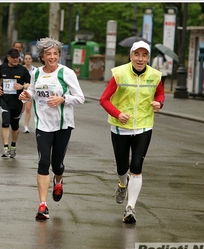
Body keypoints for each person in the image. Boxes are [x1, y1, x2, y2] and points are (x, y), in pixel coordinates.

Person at [19, 37, 85, 220]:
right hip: (43, 124)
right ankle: (42, 205)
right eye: (49, 54)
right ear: (42, 56)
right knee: (43, 162)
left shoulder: (66, 73)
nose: (53, 57)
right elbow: (32, 90)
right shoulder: (36, 73)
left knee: (57, 164)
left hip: (63, 124)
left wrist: (63, 99)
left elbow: (80, 97)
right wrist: (26, 94)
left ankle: (59, 180)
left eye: (56, 53)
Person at [99, 41, 165, 224]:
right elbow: (104, 99)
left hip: (144, 126)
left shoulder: (155, 75)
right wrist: (118, 114)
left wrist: (159, 103)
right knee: (122, 167)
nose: (140, 59)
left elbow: (160, 95)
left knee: (136, 165)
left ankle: (131, 208)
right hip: (120, 128)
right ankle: (122, 184)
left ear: (148, 58)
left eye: (144, 55)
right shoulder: (119, 73)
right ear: (131, 56)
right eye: (137, 54)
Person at [0, 48, 31, 158]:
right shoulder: (2, 67)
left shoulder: (22, 70)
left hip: (17, 100)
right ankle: (5, 147)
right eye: (13, 57)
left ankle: (13, 145)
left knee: (15, 125)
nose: (16, 59)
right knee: (5, 121)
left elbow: (30, 83)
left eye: (17, 57)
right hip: (4, 99)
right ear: (8, 58)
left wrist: (22, 86)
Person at [21, 52, 37, 133]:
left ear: (31, 60)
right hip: (21, 91)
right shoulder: (20, 69)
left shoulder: (35, 70)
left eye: (29, 59)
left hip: (30, 92)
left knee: (28, 109)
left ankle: (26, 126)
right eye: (26, 59)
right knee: (21, 109)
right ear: (23, 60)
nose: (28, 60)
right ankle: (15, 122)